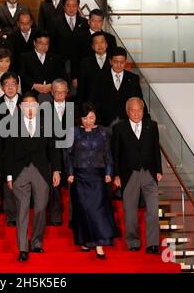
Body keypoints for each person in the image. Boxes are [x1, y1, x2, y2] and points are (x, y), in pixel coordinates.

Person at [5, 92, 61, 262]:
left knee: (40, 209)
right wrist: (9, 176)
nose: (30, 109)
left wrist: (56, 170)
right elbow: (7, 153)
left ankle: (36, 242)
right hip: (19, 172)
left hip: (41, 171)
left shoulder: (47, 123)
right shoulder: (12, 124)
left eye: (33, 105)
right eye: (26, 105)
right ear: (20, 107)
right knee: (22, 210)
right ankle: (23, 248)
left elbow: (54, 148)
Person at [65, 102, 116, 258]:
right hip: (79, 176)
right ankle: (86, 241)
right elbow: (68, 155)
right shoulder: (73, 132)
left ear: (96, 117)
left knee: (98, 209)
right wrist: (70, 172)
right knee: (83, 209)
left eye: (92, 117)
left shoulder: (103, 132)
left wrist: (108, 172)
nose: (89, 121)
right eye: (85, 118)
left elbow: (108, 154)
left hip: (97, 176)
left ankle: (99, 243)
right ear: (80, 118)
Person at [112, 97, 162, 254]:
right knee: (130, 210)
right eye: (133, 110)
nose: (136, 113)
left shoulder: (152, 126)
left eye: (139, 110)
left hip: (149, 173)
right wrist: (116, 175)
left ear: (143, 110)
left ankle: (152, 244)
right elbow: (116, 154)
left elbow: (156, 149)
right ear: (127, 112)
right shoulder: (119, 128)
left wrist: (159, 170)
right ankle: (133, 241)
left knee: (153, 210)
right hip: (129, 174)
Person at [90, 47, 148, 127]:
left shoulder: (133, 78)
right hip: (104, 123)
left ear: (125, 62)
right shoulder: (100, 78)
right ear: (110, 61)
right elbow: (93, 100)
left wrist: (146, 120)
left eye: (122, 62)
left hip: (127, 123)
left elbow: (139, 100)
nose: (119, 65)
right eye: (116, 62)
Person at [0, 72, 22, 227]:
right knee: (8, 182)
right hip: (4, 150)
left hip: (24, 149)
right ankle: (11, 215)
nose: (11, 87)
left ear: (18, 85)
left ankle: (23, 212)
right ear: (1, 87)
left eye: (13, 84)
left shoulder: (27, 101)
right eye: (7, 84)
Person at [50, 0, 90, 93]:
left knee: (77, 94)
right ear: (63, 6)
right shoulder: (55, 22)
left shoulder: (84, 22)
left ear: (78, 6)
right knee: (61, 92)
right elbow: (51, 44)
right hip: (60, 64)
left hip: (79, 65)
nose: (71, 8)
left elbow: (86, 46)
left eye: (74, 5)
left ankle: (74, 109)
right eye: (68, 5)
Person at [48, 79, 73, 226]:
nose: (60, 94)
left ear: (67, 92)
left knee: (72, 184)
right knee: (54, 184)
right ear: (52, 92)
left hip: (70, 151)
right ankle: (56, 215)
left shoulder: (73, 108)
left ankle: (72, 217)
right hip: (52, 150)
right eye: (57, 92)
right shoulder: (44, 108)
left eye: (63, 92)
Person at [19, 29, 64, 102]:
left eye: (46, 44)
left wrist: (52, 85)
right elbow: (22, 75)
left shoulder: (56, 58)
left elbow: (60, 75)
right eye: (41, 43)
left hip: (52, 92)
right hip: (32, 93)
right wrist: (34, 85)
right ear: (34, 43)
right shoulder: (25, 57)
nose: (44, 46)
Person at [77, 31, 111, 104]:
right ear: (92, 46)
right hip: (91, 102)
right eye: (96, 43)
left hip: (110, 102)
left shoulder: (114, 61)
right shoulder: (85, 62)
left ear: (106, 44)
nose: (100, 45)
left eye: (102, 42)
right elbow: (81, 87)